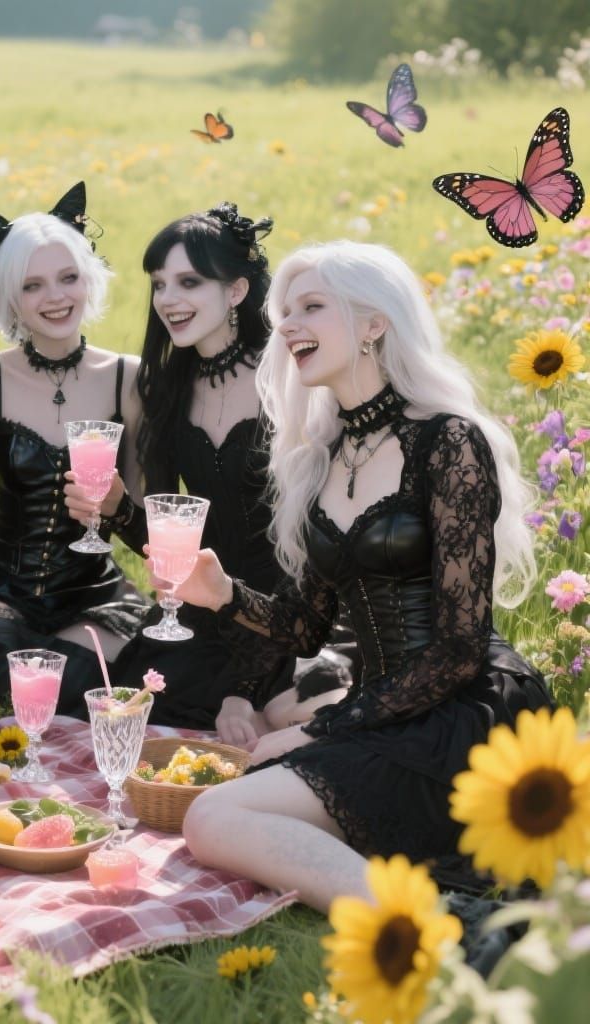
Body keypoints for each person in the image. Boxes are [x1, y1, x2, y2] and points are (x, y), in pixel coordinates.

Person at [167, 241, 552, 911]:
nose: (287, 326)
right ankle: (421, 901)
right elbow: (306, 627)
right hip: (381, 708)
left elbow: (460, 647)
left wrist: (321, 728)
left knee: (212, 818)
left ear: (375, 322)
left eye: (311, 306)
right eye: (283, 312)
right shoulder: (321, 459)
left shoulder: (448, 442)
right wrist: (221, 593)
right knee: (223, 806)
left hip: (462, 712)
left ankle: (436, 924)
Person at [66, 203, 351, 739]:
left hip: (296, 612)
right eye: (159, 284)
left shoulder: (295, 381)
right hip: (202, 613)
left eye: (189, 282)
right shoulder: (167, 390)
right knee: (135, 712)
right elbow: (173, 542)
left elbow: (310, 558)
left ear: (238, 291)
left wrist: (241, 688)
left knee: (275, 715)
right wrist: (119, 509)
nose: (168, 300)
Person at [0, 183, 148, 714]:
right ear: (9, 296)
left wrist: (116, 507)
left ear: (88, 280)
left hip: (92, 593)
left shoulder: (128, 379)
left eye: (68, 278)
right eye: (33, 285)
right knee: (1, 657)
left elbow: (144, 521)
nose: (56, 297)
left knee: (85, 683)